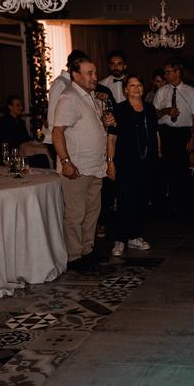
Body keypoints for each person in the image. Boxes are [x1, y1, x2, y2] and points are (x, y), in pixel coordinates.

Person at [52, 57, 116, 271]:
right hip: (76, 168)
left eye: (95, 72)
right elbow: (57, 131)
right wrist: (66, 162)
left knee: (92, 213)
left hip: (94, 167)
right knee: (75, 214)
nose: (95, 76)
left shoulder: (91, 98)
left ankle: (87, 251)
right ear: (75, 75)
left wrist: (107, 123)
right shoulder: (69, 97)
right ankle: (74, 256)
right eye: (89, 73)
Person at [106, 75, 159, 257]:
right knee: (124, 200)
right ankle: (120, 239)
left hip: (147, 162)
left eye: (139, 84)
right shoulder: (119, 110)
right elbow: (111, 138)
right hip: (125, 163)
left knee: (141, 200)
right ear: (125, 90)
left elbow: (155, 134)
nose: (136, 88)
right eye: (132, 85)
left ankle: (135, 236)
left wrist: (157, 154)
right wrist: (110, 162)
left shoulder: (150, 109)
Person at [153, 60, 194, 211]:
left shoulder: (191, 91)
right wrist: (166, 111)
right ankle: (166, 204)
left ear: (177, 72)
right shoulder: (162, 91)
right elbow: (154, 114)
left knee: (181, 169)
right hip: (166, 133)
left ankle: (184, 204)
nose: (166, 75)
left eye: (168, 72)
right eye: (165, 72)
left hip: (183, 133)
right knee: (165, 168)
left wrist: (193, 137)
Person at [45, 49, 88, 146]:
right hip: (59, 138)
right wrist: (56, 140)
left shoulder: (74, 82)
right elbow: (52, 114)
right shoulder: (60, 83)